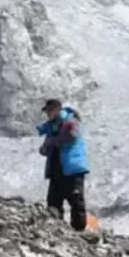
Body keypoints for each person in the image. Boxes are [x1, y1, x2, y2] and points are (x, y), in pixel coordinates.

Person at [37, 98, 89, 231]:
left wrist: (54, 142)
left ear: (57, 110)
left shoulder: (70, 121)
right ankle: (57, 230)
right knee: (53, 201)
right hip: (56, 169)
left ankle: (79, 231)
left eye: (49, 110)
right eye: (47, 111)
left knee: (76, 200)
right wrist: (44, 148)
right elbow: (48, 145)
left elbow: (72, 135)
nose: (48, 114)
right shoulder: (51, 126)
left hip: (71, 168)